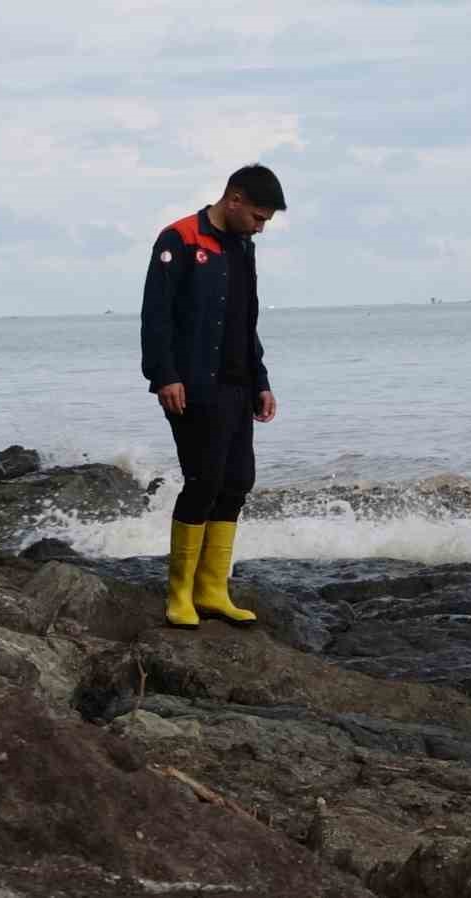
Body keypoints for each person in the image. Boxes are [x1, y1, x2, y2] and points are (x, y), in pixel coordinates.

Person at [141, 164, 286, 629]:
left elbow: (248, 322)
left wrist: (260, 381)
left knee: (237, 479)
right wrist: (165, 375)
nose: (261, 227)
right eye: (259, 217)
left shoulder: (244, 247)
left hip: (237, 384)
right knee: (203, 480)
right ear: (234, 199)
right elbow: (156, 316)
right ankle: (179, 594)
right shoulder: (179, 238)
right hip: (189, 384)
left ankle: (212, 590)